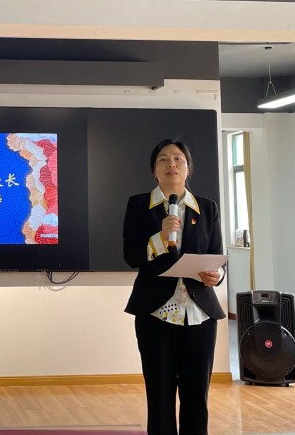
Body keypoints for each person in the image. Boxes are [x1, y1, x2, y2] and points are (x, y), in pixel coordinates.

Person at [123, 139, 225, 435]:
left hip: (200, 314)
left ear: (188, 168)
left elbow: (217, 255)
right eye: (163, 159)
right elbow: (131, 256)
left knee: (197, 397)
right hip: (155, 313)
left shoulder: (206, 207)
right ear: (154, 170)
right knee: (160, 396)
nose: (171, 164)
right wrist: (159, 238)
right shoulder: (138, 205)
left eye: (178, 159)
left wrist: (216, 275)